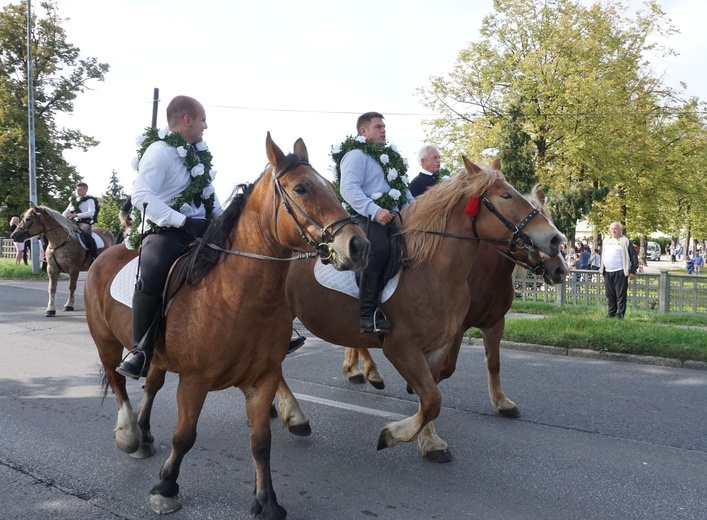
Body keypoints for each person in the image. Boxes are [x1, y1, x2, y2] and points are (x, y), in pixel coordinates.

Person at [116, 95, 223, 380]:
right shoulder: (160, 151)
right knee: (151, 273)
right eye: (203, 119)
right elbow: (141, 196)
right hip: (167, 232)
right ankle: (141, 350)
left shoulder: (197, 153)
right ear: (187, 119)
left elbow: (210, 196)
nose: (206, 126)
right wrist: (183, 220)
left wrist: (225, 223)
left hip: (205, 228)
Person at [339, 111, 413, 334]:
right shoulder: (355, 156)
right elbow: (349, 189)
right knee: (377, 250)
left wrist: (417, 211)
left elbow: (403, 191)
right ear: (363, 131)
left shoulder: (390, 159)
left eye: (384, 127)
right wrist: (375, 210)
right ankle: (367, 314)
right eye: (378, 127)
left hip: (395, 218)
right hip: (367, 218)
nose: (384, 130)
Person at [600, 222, 639, 318]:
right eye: (612, 228)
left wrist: (633, 271)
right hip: (608, 271)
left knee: (620, 295)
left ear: (620, 230)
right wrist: (602, 270)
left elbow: (633, 256)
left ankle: (620, 315)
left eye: (616, 228)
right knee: (610, 294)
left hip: (620, 271)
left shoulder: (625, 241)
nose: (614, 230)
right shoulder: (606, 240)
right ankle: (611, 313)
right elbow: (603, 256)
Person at [62, 182, 99, 259]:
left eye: (80, 190)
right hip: (73, 222)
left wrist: (77, 215)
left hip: (84, 222)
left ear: (86, 190)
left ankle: (94, 255)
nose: (78, 192)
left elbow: (91, 212)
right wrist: (60, 219)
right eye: (77, 190)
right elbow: (66, 212)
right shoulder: (74, 200)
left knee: (87, 234)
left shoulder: (90, 200)